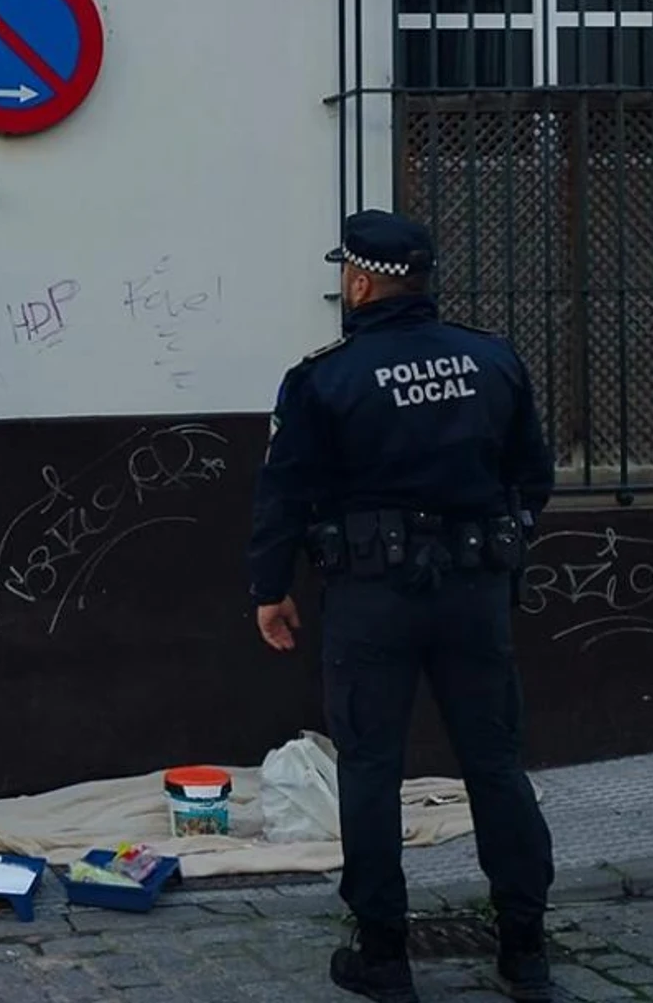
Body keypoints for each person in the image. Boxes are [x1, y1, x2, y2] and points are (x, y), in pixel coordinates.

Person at [246, 210, 557, 1003]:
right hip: (475, 593)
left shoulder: (325, 377)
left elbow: (284, 492)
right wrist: (501, 541)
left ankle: (383, 953)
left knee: (370, 768)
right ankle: (525, 947)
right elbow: (533, 474)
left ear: (358, 284)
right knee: (494, 763)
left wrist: (270, 588)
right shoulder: (492, 359)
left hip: (372, 599)